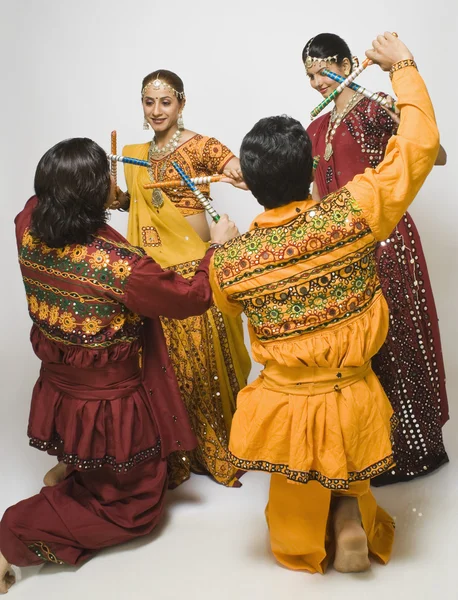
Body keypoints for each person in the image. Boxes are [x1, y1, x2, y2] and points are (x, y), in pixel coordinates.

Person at [210, 34, 440, 573]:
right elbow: (419, 146)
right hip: (354, 400)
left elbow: (224, 306)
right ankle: (352, 514)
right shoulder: (353, 214)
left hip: (284, 413)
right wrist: (402, 65)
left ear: (256, 186)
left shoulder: (236, 259)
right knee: (348, 465)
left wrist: (225, 246)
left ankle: (311, 532)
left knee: (289, 522)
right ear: (311, 170)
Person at [0, 137, 239, 594]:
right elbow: (190, 297)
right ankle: (15, 533)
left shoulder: (28, 226)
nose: (114, 183)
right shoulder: (118, 266)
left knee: (125, 481)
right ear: (92, 195)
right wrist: (217, 250)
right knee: (138, 507)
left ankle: (74, 475)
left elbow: (36, 200)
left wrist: (85, 185)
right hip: (110, 407)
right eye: (104, 180)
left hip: (62, 390)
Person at [303, 33, 448, 486]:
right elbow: (314, 195)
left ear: (348, 64)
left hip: (385, 241)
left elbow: (435, 154)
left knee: (397, 335)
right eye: (308, 75)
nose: (315, 82)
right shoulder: (314, 128)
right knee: (357, 348)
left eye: (323, 70)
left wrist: (390, 101)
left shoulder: (373, 105)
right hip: (342, 250)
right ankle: (369, 449)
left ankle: (413, 449)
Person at [111, 69, 251, 489]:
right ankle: (174, 448)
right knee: (163, 362)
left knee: (203, 361)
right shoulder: (136, 154)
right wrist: (114, 197)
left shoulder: (200, 146)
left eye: (165, 102)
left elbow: (239, 170)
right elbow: (133, 204)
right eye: (149, 102)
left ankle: (214, 443)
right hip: (152, 274)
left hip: (195, 270)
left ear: (182, 104)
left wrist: (237, 173)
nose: (156, 111)